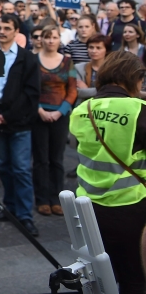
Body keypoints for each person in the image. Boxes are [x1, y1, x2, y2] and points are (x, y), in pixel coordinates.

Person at [69, 51, 146, 293]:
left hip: (89, 208)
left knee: (101, 277)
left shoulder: (82, 109)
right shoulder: (139, 110)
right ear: (133, 78)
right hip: (130, 208)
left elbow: (75, 145)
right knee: (134, 277)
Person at [0, 14, 40, 237]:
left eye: (7, 28)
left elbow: (31, 93)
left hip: (19, 123)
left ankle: (25, 215)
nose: (2, 31)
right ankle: (10, 208)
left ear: (16, 31)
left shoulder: (27, 59)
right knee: (4, 167)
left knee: (21, 169)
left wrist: (8, 116)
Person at [34, 26, 77, 216]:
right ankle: (42, 199)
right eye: (47, 37)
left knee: (57, 159)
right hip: (39, 114)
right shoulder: (33, 61)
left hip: (61, 114)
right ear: (41, 39)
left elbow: (73, 90)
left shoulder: (68, 61)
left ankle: (57, 198)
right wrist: (39, 110)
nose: (51, 40)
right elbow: (29, 88)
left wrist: (60, 112)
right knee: (41, 159)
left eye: (54, 37)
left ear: (59, 40)